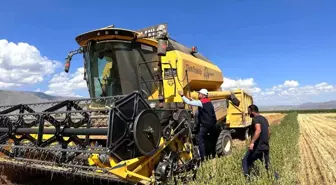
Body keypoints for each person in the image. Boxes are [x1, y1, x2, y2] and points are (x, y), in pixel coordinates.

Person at [178, 89, 217, 161]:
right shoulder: (208, 101)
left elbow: (188, 102)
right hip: (212, 123)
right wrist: (193, 100)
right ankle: (213, 153)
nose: (198, 94)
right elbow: (199, 103)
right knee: (210, 138)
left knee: (200, 140)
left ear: (203, 95)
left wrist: (182, 95)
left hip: (205, 124)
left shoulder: (201, 102)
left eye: (199, 94)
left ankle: (203, 158)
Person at [242, 104, 270, 178]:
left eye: (249, 111)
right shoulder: (264, 119)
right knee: (268, 166)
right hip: (265, 146)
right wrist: (265, 141)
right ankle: (277, 179)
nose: (248, 113)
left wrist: (252, 143)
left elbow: (258, 130)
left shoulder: (255, 119)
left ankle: (247, 180)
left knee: (245, 161)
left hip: (258, 147)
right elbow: (269, 132)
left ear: (252, 111)